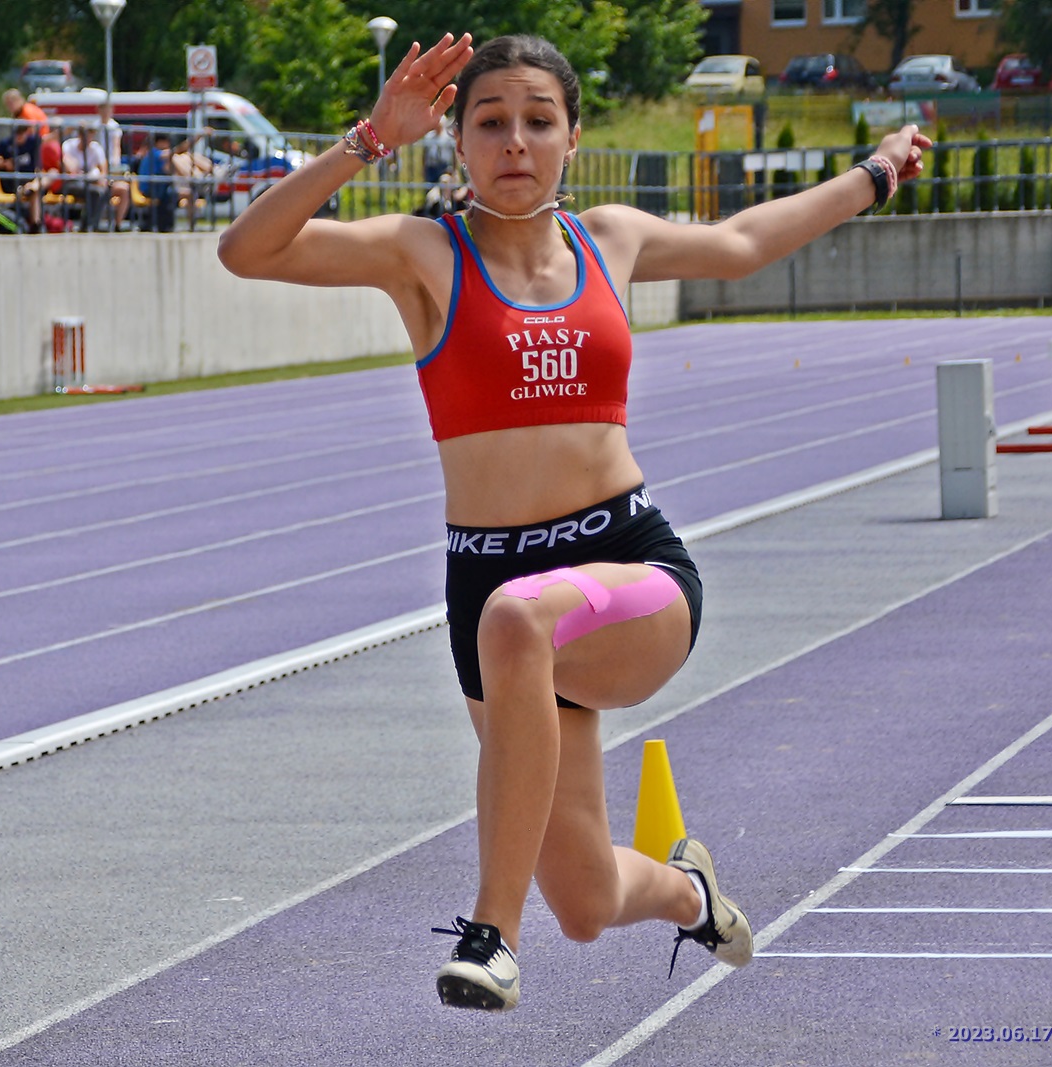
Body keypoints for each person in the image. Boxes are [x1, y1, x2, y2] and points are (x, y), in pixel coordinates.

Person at [216, 33, 928, 1014]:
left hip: (625, 568)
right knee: (588, 896)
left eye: (537, 122)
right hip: (494, 585)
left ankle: (491, 934)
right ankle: (690, 890)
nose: (515, 142)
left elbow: (745, 242)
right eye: (490, 122)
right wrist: (369, 137)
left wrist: (873, 174)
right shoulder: (422, 254)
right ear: (456, 140)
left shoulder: (610, 238)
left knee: (520, 619)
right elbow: (245, 250)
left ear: (572, 136)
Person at [61, 123, 130, 231]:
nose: (89, 138)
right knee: (96, 192)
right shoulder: (68, 146)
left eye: (91, 135)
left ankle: (117, 226)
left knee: (120, 189)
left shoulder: (95, 148)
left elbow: (103, 170)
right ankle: (89, 226)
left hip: (93, 182)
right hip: (73, 183)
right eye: (86, 134)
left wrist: (99, 177)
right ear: (79, 135)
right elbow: (69, 168)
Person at [136, 131, 176, 232]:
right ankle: (164, 226)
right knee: (170, 194)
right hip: (149, 188)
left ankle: (163, 225)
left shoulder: (152, 154)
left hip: (154, 187)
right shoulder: (155, 153)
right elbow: (174, 153)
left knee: (170, 192)